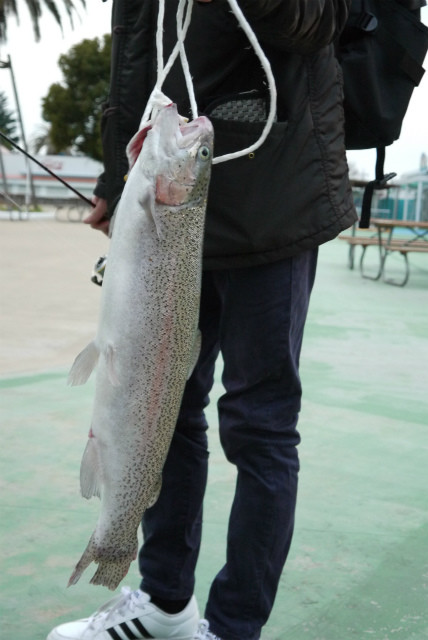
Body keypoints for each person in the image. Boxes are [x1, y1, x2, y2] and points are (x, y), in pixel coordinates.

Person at [48, 1, 356, 640]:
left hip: (278, 183)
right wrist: (115, 168)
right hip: (175, 193)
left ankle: (234, 627)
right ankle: (165, 606)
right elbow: (137, 53)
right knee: (167, 408)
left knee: (259, 424)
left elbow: (318, 20)